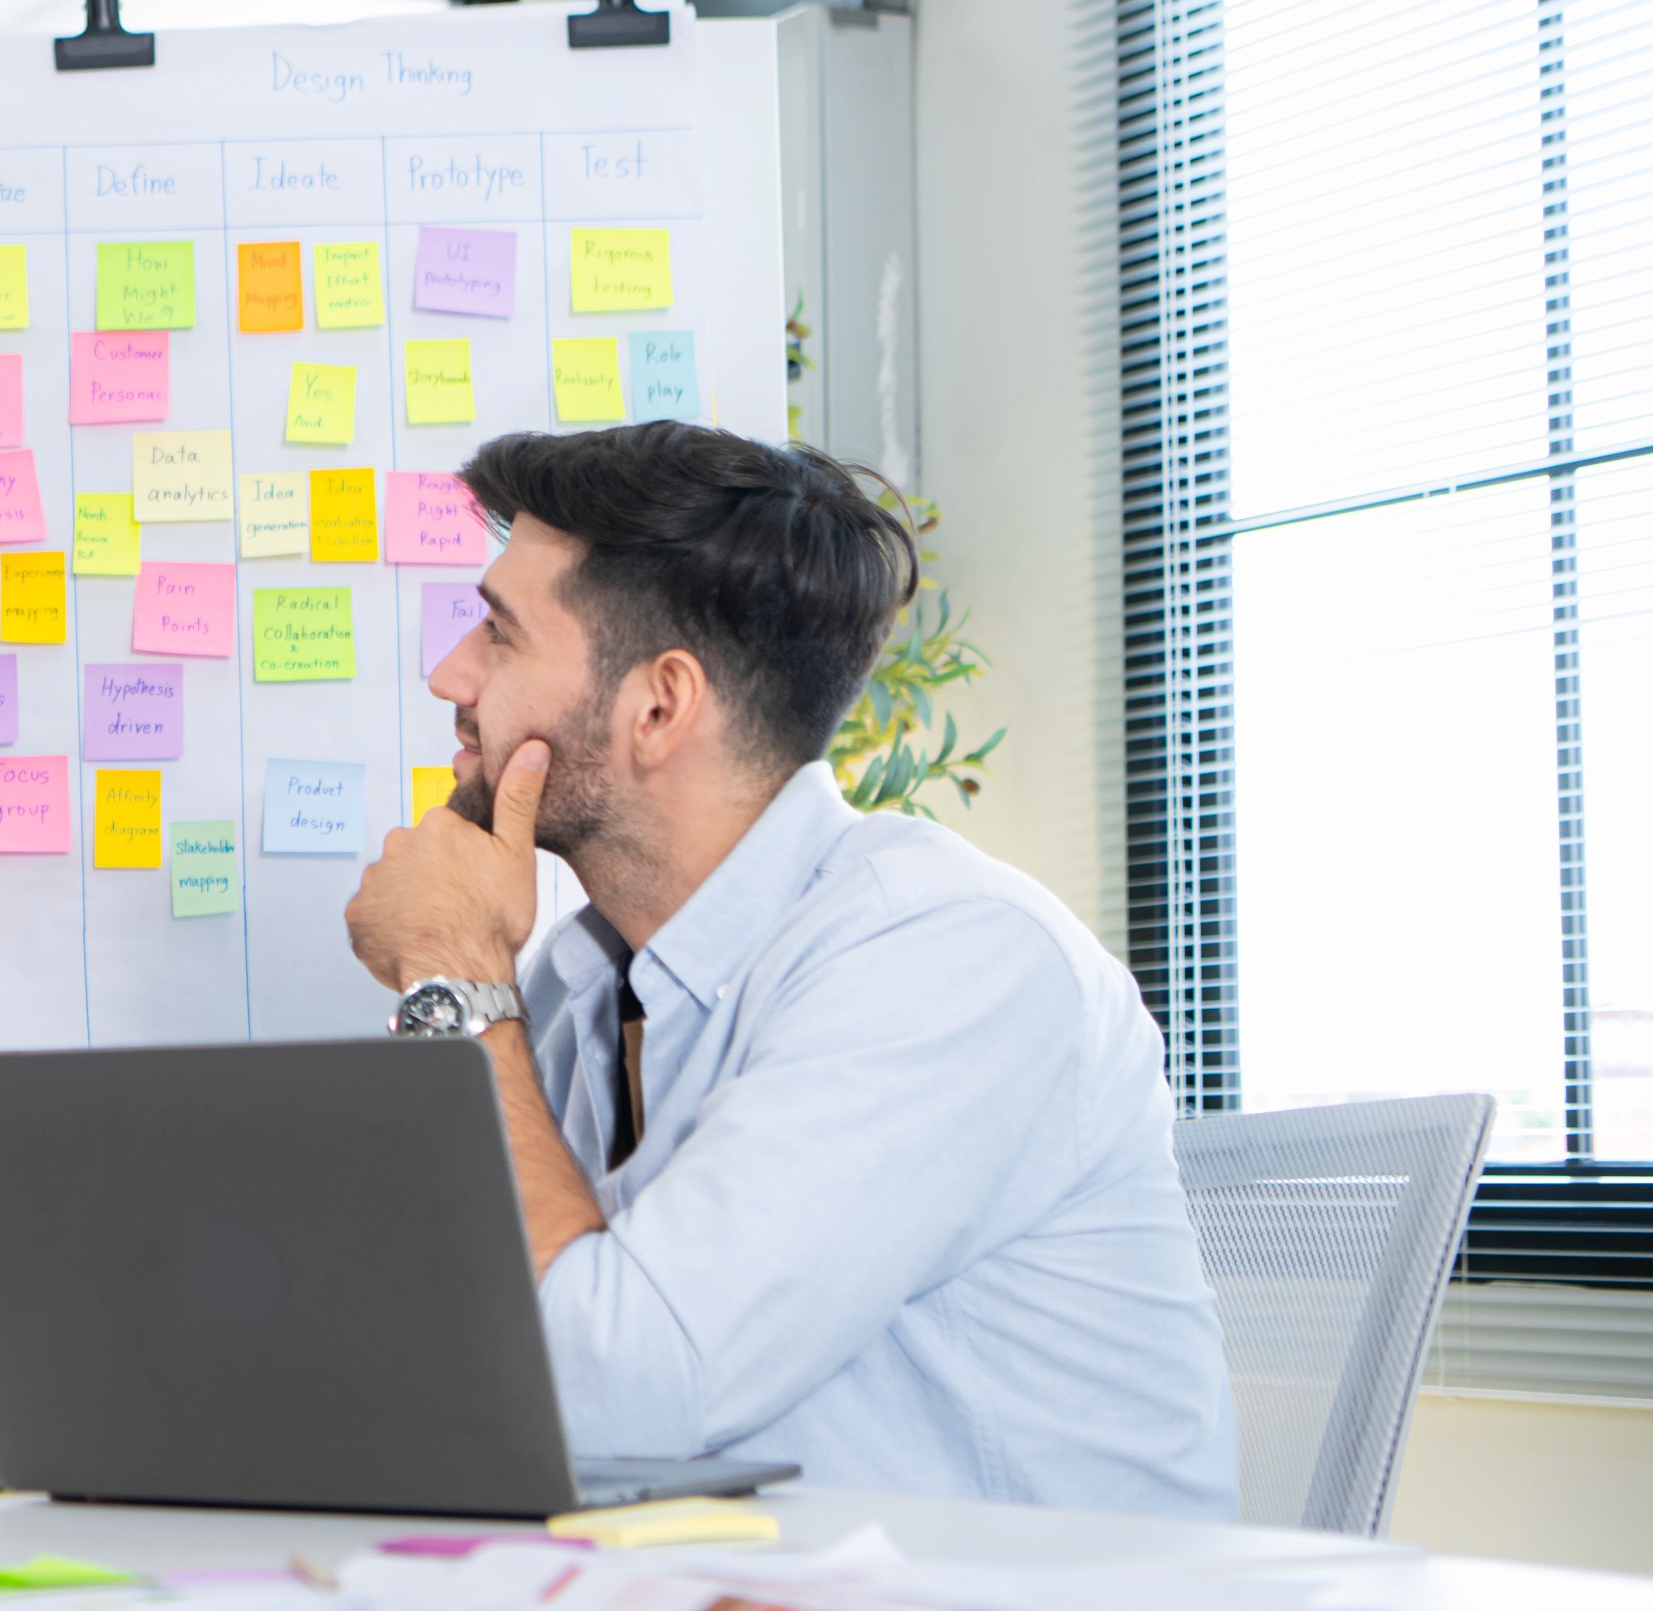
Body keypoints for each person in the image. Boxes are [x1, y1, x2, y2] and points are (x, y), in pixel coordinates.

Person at [343, 421, 1235, 1516]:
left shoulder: (949, 960)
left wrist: (452, 971)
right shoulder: (581, 990)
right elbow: (451, 1365)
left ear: (657, 706)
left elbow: (609, 1391)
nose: (450, 675)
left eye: (497, 635)